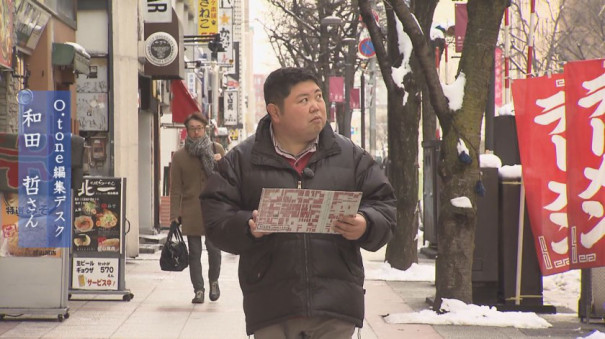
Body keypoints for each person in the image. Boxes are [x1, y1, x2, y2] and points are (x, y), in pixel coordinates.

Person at [200, 67, 396, 337]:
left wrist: (365, 224)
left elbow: (385, 204)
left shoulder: (350, 156)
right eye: (303, 100)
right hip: (272, 305)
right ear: (275, 112)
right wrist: (247, 226)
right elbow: (214, 217)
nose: (316, 106)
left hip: (335, 307)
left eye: (318, 96)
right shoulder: (241, 161)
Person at [169, 113, 225, 304]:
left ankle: (214, 282)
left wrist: (219, 163)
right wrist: (174, 214)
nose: (196, 132)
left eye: (199, 128)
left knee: (214, 249)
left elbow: (226, 179)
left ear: (205, 129)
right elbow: (175, 188)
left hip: (213, 208)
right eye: (192, 128)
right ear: (186, 130)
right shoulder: (179, 157)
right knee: (195, 252)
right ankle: (198, 289)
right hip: (191, 209)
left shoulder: (216, 149)